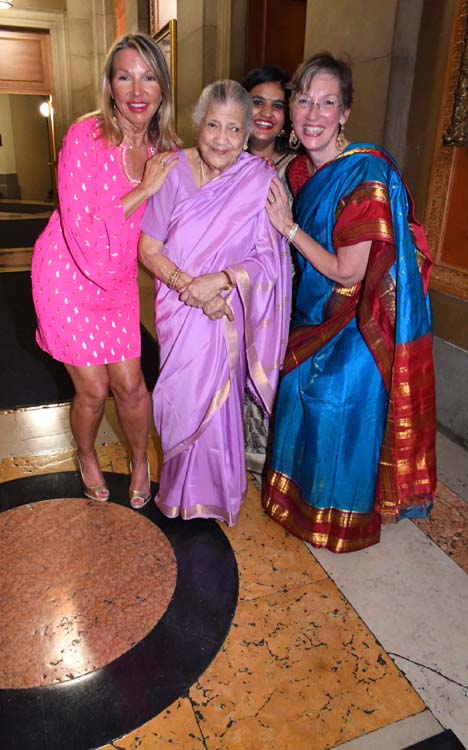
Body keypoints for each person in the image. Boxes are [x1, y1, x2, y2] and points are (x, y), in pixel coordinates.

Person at [262, 52, 437, 552]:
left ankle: (339, 518)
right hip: (313, 312)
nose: (313, 113)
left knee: (333, 396)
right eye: (304, 100)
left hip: (360, 319)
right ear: (292, 111)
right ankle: (294, 502)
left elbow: (348, 270)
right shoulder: (297, 170)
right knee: (294, 387)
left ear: (345, 114)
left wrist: (288, 228)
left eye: (328, 103)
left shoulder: (364, 170)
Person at [31, 33, 180, 507]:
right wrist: (143, 189)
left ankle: (140, 459)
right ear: (110, 87)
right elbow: (82, 230)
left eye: (149, 77)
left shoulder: (166, 149)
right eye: (124, 77)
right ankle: (85, 453)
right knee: (94, 389)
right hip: (68, 271)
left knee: (132, 384)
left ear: (162, 89)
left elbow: (186, 217)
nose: (137, 91)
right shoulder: (84, 136)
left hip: (116, 280)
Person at [138, 79, 291, 526]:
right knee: (178, 401)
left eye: (233, 129)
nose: (221, 139)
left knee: (220, 407)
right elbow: (149, 248)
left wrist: (221, 282)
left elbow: (269, 259)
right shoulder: (169, 170)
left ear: (247, 135)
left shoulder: (258, 180)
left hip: (227, 314)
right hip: (179, 313)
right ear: (197, 124)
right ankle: (178, 493)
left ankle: (214, 495)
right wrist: (192, 288)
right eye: (212, 125)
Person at [241, 65, 297, 475]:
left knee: (266, 375)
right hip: (226, 289)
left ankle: (263, 460)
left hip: (277, 296)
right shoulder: (220, 155)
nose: (266, 112)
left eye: (278, 105)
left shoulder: (296, 167)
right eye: (257, 101)